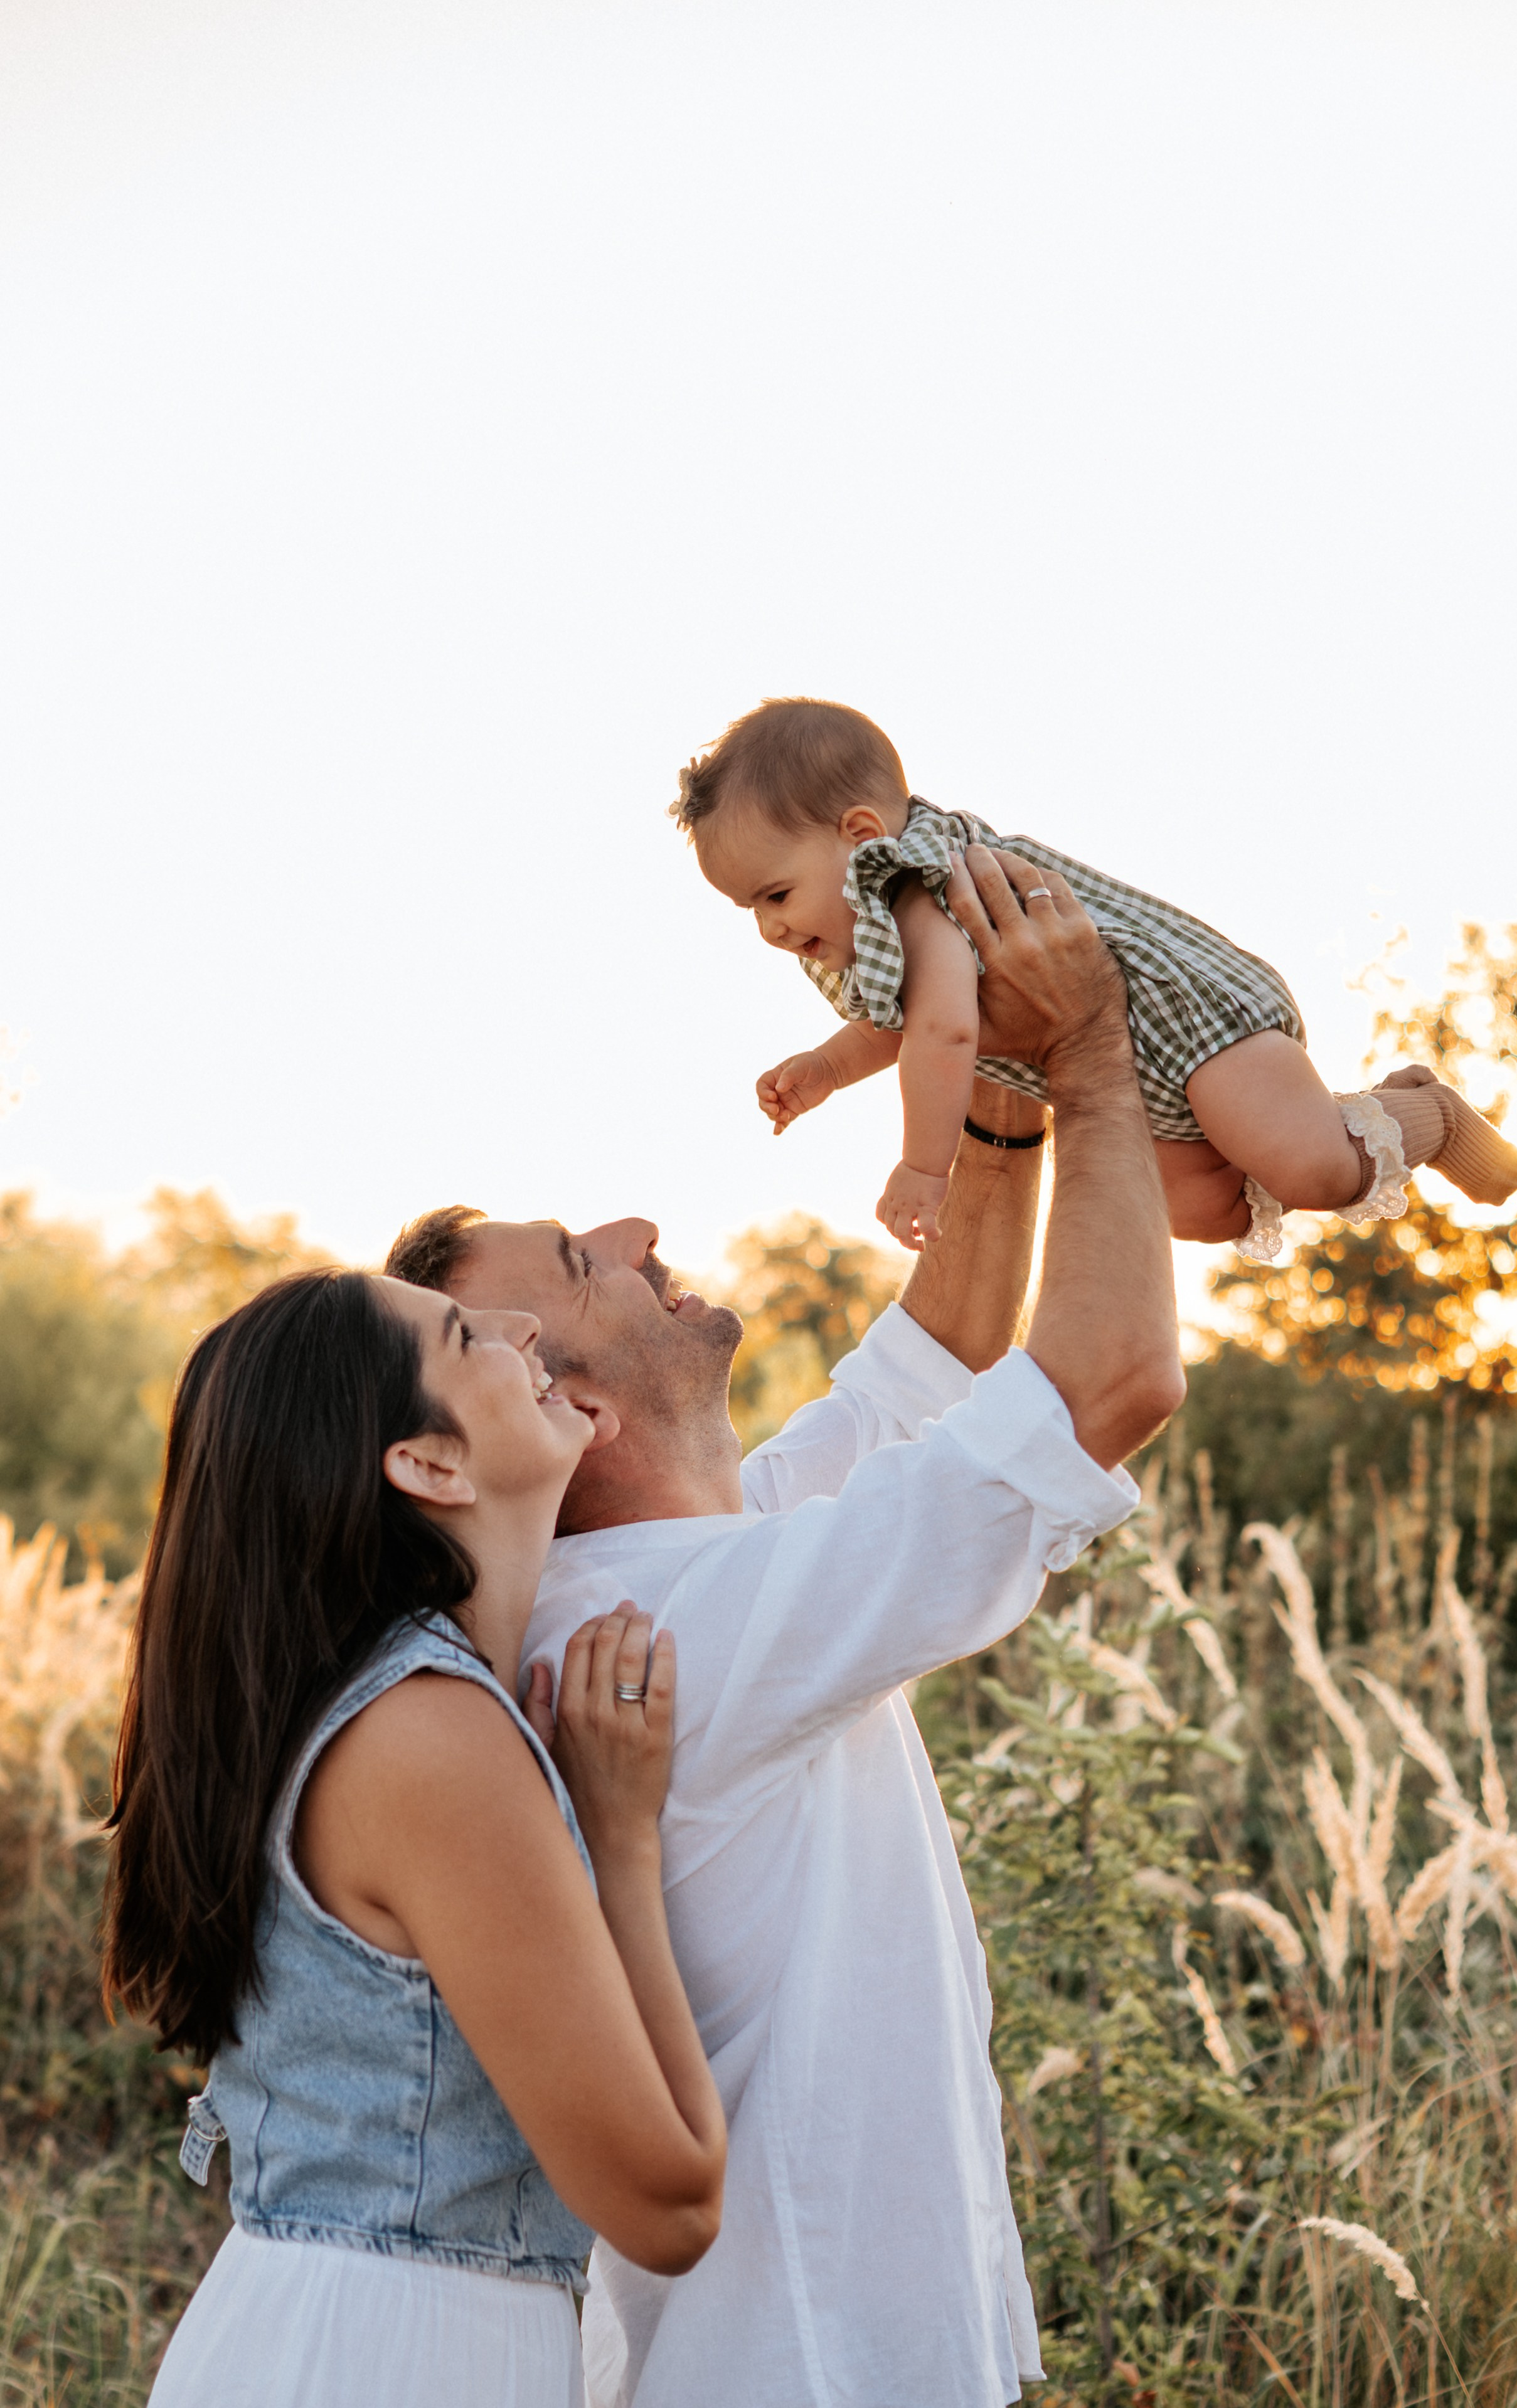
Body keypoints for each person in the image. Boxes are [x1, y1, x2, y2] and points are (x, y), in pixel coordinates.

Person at [383, 848, 1186, 2408]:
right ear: (569, 1402)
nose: (632, 1227)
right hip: (807, 2368)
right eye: (577, 1261)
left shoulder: (689, 1558)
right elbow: (1110, 1386)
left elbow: (931, 1364)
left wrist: (1001, 1085)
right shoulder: (662, 1633)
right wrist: (1091, 1056)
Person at [102, 1269, 725, 2408]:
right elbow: (670, 2203)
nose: (523, 1326)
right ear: (427, 1463)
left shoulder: (377, 1710)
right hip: (389, 2354)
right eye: (464, 1334)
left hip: (345, 2337)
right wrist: (618, 1837)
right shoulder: (434, 1739)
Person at [673, 694, 1517, 1258]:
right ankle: (1330, 1120)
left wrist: (923, 1167)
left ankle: (1429, 1113)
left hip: (1188, 1024)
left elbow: (942, 1030)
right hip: (1131, 1077)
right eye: (750, 908)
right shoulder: (876, 937)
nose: (771, 927)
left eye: (777, 894)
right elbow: (902, 1019)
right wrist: (826, 1067)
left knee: (1311, 1171)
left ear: (861, 837)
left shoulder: (921, 891)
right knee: (1196, 1212)